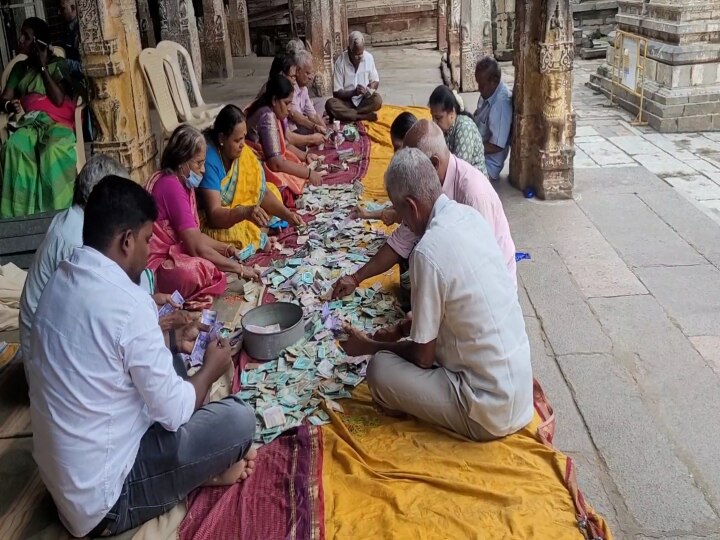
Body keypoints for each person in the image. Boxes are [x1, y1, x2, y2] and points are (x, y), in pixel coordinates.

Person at [26, 176, 257, 537]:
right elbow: (177, 412)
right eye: (148, 240)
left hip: (68, 486)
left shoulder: (62, 280)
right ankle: (197, 473)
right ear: (126, 240)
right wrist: (211, 370)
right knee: (240, 420)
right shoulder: (128, 304)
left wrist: (166, 339)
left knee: (171, 355)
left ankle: (196, 468)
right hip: (106, 504)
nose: (150, 251)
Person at [339, 148, 533, 442]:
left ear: (411, 207)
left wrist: (370, 345)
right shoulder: (469, 217)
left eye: (399, 212)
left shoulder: (427, 252)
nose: (400, 220)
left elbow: (422, 359)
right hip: (519, 391)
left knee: (379, 370)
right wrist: (402, 329)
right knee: (413, 323)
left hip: (488, 411)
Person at [333, 119, 517, 300]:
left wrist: (434, 312)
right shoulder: (427, 187)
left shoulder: (473, 194)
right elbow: (401, 240)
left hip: (489, 290)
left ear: (434, 164)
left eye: (413, 166)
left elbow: (483, 270)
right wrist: (356, 278)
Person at [19, 155, 125, 361]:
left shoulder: (74, 219)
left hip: (50, 342)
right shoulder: (76, 239)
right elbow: (92, 312)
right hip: (48, 358)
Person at [146, 124, 259, 309]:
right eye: (199, 163)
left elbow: (195, 236)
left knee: (213, 262)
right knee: (202, 270)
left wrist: (226, 249)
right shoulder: (171, 186)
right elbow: (196, 247)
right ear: (182, 161)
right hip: (159, 267)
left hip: (175, 253)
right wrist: (239, 269)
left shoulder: (182, 183)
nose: (203, 170)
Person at [199, 104, 304, 259]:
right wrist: (244, 212)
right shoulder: (210, 161)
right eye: (237, 140)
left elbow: (262, 193)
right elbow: (214, 216)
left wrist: (288, 215)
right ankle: (260, 234)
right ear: (221, 138)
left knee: (273, 190)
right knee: (236, 234)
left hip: (242, 212)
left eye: (244, 137)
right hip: (219, 220)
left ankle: (258, 232)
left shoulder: (243, 153)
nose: (243, 144)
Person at [0, 17, 79, 217]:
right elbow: (4, 98)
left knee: (52, 150)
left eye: (26, 36)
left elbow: (59, 99)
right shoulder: (20, 69)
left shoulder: (57, 65)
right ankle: (19, 216)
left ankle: (58, 213)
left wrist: (43, 66)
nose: (20, 39)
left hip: (56, 123)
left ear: (38, 42)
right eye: (22, 34)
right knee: (14, 147)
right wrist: (10, 104)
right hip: (30, 122)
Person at [246, 74, 323, 197]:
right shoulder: (267, 116)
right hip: (254, 166)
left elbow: (283, 144)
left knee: (297, 166)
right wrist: (309, 173)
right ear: (274, 100)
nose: (289, 109)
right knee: (287, 189)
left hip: (268, 160)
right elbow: (276, 164)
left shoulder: (271, 111)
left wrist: (305, 156)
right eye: (286, 103)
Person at [350, 111, 417, 224]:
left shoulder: (420, 173)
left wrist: (389, 215)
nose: (395, 153)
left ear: (411, 142)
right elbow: (401, 209)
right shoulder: (410, 162)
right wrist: (367, 214)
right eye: (394, 148)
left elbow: (408, 216)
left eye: (398, 147)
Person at [427, 84, 488, 177]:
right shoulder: (443, 129)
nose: (434, 122)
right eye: (433, 117)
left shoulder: (465, 127)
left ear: (452, 113)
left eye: (438, 118)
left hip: (472, 182)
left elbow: (459, 170)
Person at [325, 31, 382, 122]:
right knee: (330, 104)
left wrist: (370, 89)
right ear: (349, 50)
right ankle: (363, 116)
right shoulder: (340, 62)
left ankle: (348, 115)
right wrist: (354, 92)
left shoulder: (368, 58)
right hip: (346, 101)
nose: (360, 57)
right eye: (356, 55)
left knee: (377, 100)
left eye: (361, 54)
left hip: (363, 101)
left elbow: (375, 81)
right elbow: (336, 92)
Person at [474, 57, 513, 182]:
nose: (479, 88)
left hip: (487, 166)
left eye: (482, 84)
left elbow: (497, 145)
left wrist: (471, 149)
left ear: (494, 81)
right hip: (478, 153)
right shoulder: (488, 94)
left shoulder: (501, 103)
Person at [288, 50, 327, 138]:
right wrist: (315, 126)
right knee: (310, 131)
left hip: (302, 119)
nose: (310, 77)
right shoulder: (290, 87)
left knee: (321, 103)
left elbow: (312, 115)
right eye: (307, 73)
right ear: (298, 70)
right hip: (293, 126)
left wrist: (326, 130)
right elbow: (295, 116)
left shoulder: (304, 89)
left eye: (311, 73)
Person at [58, 0, 82, 76]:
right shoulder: (68, 28)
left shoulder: (81, 31)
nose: (59, 12)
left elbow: (84, 67)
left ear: (73, 8)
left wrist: (64, 63)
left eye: (63, 9)